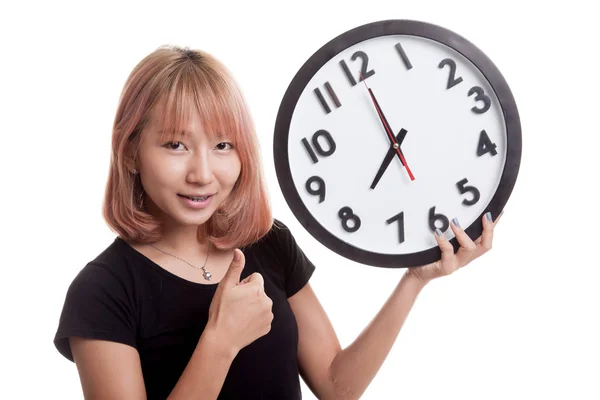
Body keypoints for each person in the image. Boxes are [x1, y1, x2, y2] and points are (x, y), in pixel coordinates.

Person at [53, 45, 502, 400]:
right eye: (175, 144)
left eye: (224, 145)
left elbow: (336, 386)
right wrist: (220, 343)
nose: (203, 173)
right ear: (130, 151)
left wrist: (413, 281)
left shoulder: (268, 243)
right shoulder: (102, 291)